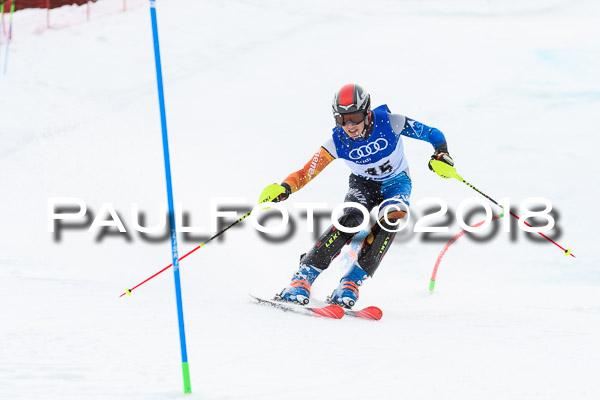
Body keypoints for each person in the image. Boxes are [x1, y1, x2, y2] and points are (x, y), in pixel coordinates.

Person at [258, 83, 454, 308]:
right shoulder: (337, 142)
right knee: (351, 218)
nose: (349, 125)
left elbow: (432, 133)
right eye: (342, 119)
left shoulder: (391, 122)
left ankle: (351, 283)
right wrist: (285, 188)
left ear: (367, 113)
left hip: (396, 183)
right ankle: (303, 277)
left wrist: (441, 152)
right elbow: (305, 173)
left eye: (355, 117)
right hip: (363, 185)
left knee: (393, 217)